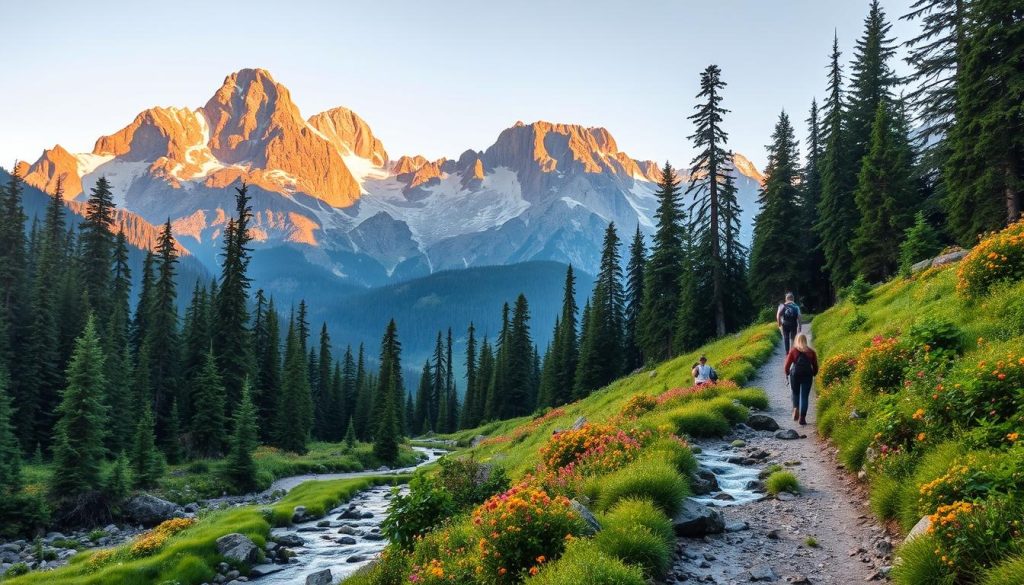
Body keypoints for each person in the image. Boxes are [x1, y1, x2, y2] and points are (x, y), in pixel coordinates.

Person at [784, 333, 819, 425]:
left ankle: (796, 408)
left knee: (795, 393)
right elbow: (815, 366)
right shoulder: (811, 352)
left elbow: (787, 365)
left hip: (795, 375)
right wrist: (814, 373)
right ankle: (802, 418)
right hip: (807, 375)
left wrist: (787, 373)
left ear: (796, 340)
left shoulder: (793, 351)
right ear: (805, 340)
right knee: (804, 397)